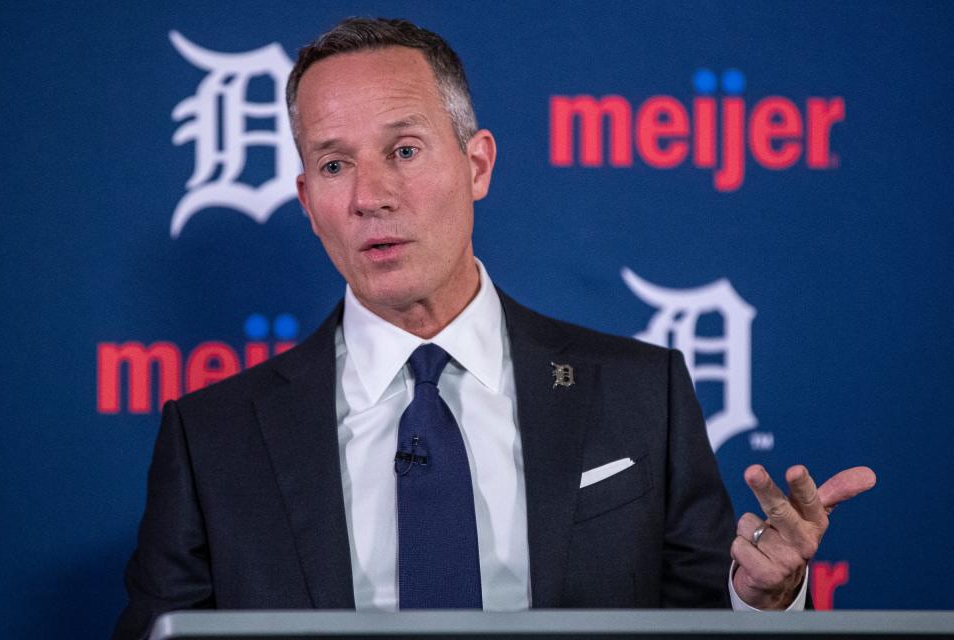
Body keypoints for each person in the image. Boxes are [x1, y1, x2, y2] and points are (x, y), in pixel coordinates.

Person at [113, 17, 876, 639]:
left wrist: (762, 600)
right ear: (307, 200)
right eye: (335, 165)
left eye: (404, 151)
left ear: (477, 165)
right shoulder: (211, 437)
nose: (371, 195)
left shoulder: (643, 394)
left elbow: (701, 623)